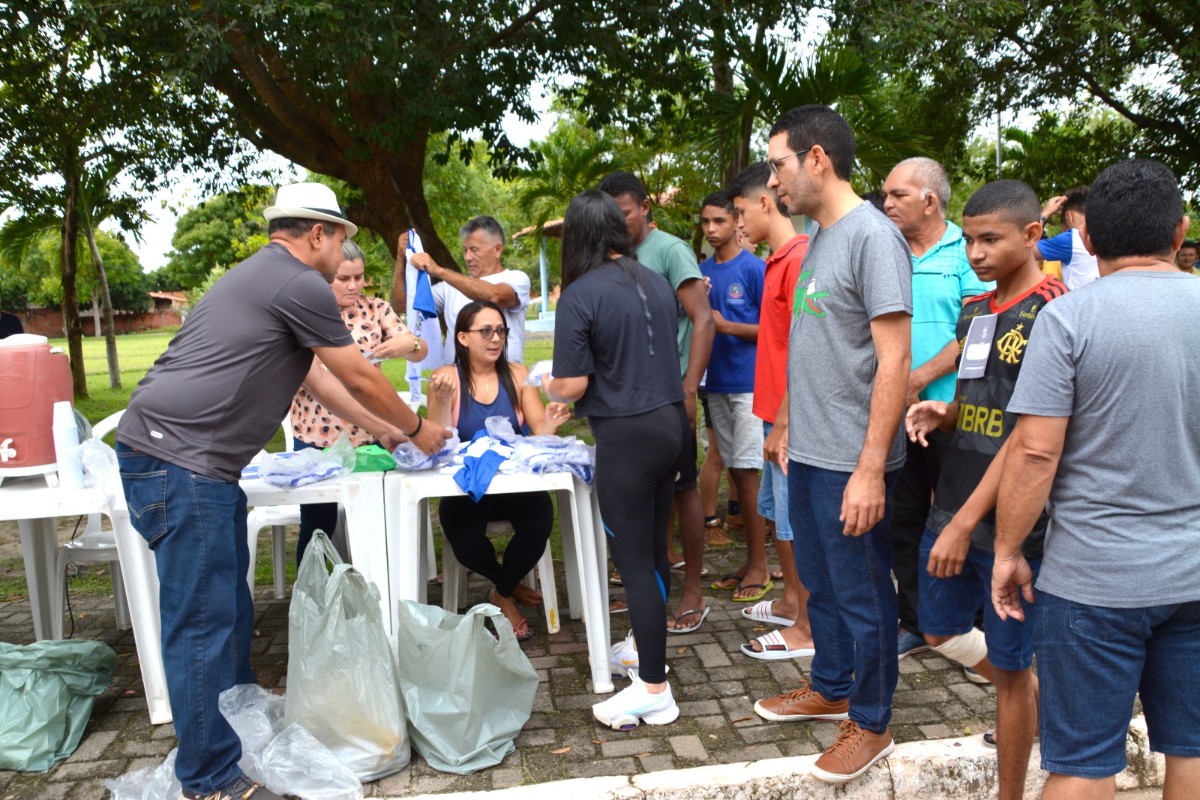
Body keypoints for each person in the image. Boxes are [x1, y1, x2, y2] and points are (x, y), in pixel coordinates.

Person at [115, 182, 450, 800]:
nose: (344, 253)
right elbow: (355, 371)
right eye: (342, 238)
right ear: (318, 234)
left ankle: (236, 716)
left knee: (228, 610)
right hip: (180, 462)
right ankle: (209, 779)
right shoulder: (297, 282)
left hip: (184, 462)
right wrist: (417, 428)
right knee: (200, 624)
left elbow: (319, 377)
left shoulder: (266, 277)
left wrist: (386, 432)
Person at [992, 159, 1200, 800]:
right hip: (1194, 570)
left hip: (1093, 579)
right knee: (1192, 751)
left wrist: (1007, 551)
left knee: (1082, 764)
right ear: (1179, 231)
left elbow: (1033, 454)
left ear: (1084, 238)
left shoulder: (1067, 320)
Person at [752, 106, 912, 785]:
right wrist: (785, 423)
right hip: (810, 452)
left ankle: (870, 721)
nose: (773, 179)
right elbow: (814, 345)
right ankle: (833, 683)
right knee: (820, 584)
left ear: (818, 159)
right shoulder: (821, 238)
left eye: (779, 163)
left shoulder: (873, 238)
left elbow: (895, 359)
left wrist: (871, 469)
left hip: (853, 460)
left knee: (863, 593)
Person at [906, 180, 1066, 800]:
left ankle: (1011, 788)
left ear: (1031, 236)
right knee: (937, 629)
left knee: (1011, 671)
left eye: (990, 239)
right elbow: (982, 396)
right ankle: (1023, 691)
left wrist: (964, 521)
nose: (974, 251)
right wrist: (943, 414)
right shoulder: (977, 310)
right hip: (953, 502)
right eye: (969, 239)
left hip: (1011, 527)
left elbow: (1031, 436)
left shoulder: (1055, 310)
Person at [546, 189, 687, 730]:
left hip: (627, 436)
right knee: (654, 553)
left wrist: (548, 382)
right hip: (671, 425)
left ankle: (653, 687)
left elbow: (573, 383)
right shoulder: (652, 278)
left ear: (577, 237)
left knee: (634, 563)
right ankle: (641, 655)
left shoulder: (580, 295)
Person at [881, 157, 992, 665]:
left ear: (929, 199)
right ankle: (916, 620)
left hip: (955, 413)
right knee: (903, 518)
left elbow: (975, 332)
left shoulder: (969, 250)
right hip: (898, 414)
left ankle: (976, 632)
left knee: (964, 517)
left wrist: (919, 379)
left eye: (896, 195)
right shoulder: (886, 251)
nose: (886, 204)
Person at [598, 170, 714, 634]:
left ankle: (692, 590)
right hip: (630, 403)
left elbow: (702, 321)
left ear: (645, 207)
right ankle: (652, 589)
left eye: (624, 213)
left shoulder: (668, 251)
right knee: (649, 497)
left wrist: (688, 389)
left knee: (684, 491)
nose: (618, 222)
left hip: (671, 396)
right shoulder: (611, 257)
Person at [426, 300, 570, 641]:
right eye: (486, 331)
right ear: (462, 337)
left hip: (514, 483)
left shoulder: (519, 375)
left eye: (501, 330)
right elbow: (437, 438)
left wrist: (550, 422)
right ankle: (510, 586)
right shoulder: (446, 378)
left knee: (539, 522)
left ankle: (502, 595)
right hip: (468, 486)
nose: (495, 338)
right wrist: (443, 401)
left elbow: (538, 430)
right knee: (461, 535)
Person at [290, 239, 428, 565]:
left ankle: (380, 585)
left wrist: (405, 345)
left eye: (359, 277)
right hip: (316, 437)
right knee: (317, 523)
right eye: (344, 279)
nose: (354, 286)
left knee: (378, 516)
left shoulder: (375, 309)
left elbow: (419, 348)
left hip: (370, 437)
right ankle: (316, 596)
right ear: (325, 277)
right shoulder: (306, 314)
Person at [725, 162, 816, 661]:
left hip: (789, 414)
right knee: (778, 512)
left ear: (765, 203)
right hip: (771, 408)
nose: (738, 224)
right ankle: (791, 601)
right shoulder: (779, 258)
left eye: (740, 212)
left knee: (792, 520)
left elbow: (807, 349)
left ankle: (807, 625)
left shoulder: (801, 258)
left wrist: (784, 419)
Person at [696, 190, 769, 602]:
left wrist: (725, 325)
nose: (711, 229)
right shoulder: (702, 271)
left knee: (748, 473)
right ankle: (749, 561)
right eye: (706, 222)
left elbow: (772, 331)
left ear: (736, 222)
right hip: (715, 384)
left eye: (719, 221)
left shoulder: (754, 268)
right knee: (735, 473)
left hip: (749, 385)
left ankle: (759, 564)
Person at [411, 215, 531, 363]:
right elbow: (405, 303)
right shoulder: (449, 287)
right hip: (454, 382)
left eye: (474, 250)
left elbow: (495, 296)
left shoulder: (517, 279)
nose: (468, 257)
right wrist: (402, 255)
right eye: (465, 250)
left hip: (503, 382)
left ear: (498, 250)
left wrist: (439, 271)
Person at [1035, 186, 1099, 289]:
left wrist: (1045, 214)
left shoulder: (1071, 239)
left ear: (1070, 217)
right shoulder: (1104, 233)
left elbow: (1023, 249)